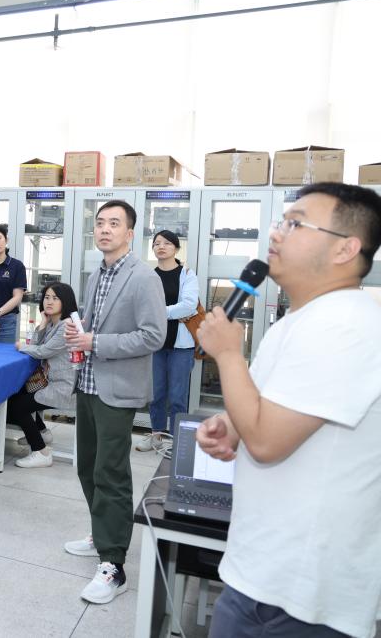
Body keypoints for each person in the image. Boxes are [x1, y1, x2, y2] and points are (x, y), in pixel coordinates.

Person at [196, 183, 381, 638]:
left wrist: (228, 354)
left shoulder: (347, 323)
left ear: (345, 249)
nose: (276, 234)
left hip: (300, 595)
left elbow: (266, 442)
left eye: (296, 224)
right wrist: (229, 424)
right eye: (282, 222)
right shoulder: (297, 321)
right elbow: (262, 413)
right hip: (258, 571)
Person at [63, 199, 166, 605]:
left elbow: (153, 336)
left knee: (111, 472)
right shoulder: (96, 274)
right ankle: (102, 532)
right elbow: (93, 326)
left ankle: (114, 564)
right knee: (87, 466)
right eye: (100, 223)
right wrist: (79, 333)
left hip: (117, 389)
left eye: (114, 224)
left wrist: (96, 342)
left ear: (130, 233)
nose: (104, 229)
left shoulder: (144, 278)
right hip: (88, 384)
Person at [137, 229, 198, 452]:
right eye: (157, 243)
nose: (161, 247)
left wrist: (159, 312)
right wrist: (173, 312)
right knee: (156, 394)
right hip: (155, 343)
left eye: (167, 243)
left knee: (178, 396)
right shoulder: (148, 275)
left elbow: (189, 305)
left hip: (181, 345)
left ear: (176, 248)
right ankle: (156, 436)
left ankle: (177, 441)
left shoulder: (187, 274)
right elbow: (140, 306)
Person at [10, 282, 78, 468]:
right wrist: (43, 322)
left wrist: (22, 347)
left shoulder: (66, 326)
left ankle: (41, 451)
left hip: (63, 387)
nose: (49, 301)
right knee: (16, 394)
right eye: (47, 297)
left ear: (66, 301)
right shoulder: (54, 323)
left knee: (18, 407)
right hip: (50, 382)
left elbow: (42, 351)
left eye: (55, 298)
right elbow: (36, 345)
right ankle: (41, 432)